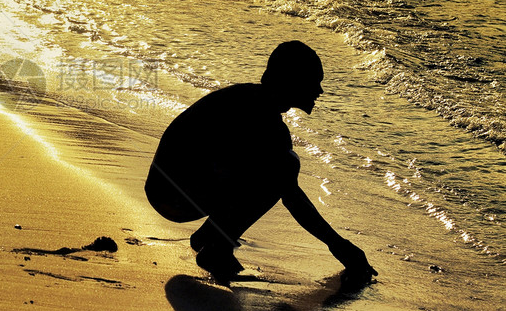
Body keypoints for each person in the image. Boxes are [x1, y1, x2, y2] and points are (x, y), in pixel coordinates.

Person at [145, 41, 377, 288]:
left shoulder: (247, 98)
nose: (319, 91)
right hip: (174, 195)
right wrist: (339, 245)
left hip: (166, 189)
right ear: (293, 82)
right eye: (314, 82)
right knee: (285, 165)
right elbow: (291, 196)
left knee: (279, 166)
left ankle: (213, 237)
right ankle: (216, 245)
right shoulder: (264, 120)